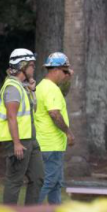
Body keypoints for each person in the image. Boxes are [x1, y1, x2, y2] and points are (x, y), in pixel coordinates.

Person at [0, 48, 44, 205]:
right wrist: (16, 143)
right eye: (31, 65)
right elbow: (11, 117)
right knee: (15, 181)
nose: (33, 68)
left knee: (38, 177)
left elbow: (31, 110)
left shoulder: (22, 87)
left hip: (31, 139)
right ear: (22, 66)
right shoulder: (12, 88)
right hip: (19, 141)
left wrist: (32, 90)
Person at [34, 52, 74, 204]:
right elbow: (54, 114)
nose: (66, 75)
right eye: (65, 71)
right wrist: (68, 133)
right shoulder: (51, 89)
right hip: (51, 145)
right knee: (48, 182)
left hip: (48, 144)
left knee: (56, 184)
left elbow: (63, 92)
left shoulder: (42, 87)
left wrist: (68, 78)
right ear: (56, 70)